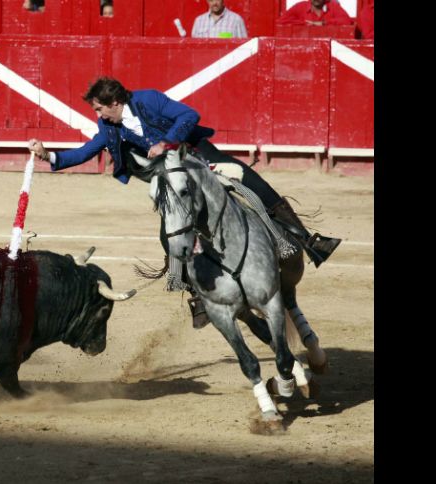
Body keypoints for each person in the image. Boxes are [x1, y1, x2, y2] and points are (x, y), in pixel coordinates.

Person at [28, 77, 341, 328]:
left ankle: (307, 239)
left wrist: (168, 142)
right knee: (169, 234)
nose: (98, 115)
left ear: (114, 102)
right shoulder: (110, 126)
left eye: (99, 109)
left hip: (198, 156)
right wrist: (49, 155)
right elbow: (86, 151)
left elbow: (189, 115)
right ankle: (195, 293)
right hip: (172, 177)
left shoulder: (147, 99)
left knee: (251, 180)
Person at [277, 0, 352, 26]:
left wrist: (324, 23)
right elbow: (281, 21)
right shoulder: (300, 6)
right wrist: (304, 23)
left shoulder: (333, 6)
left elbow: (347, 21)